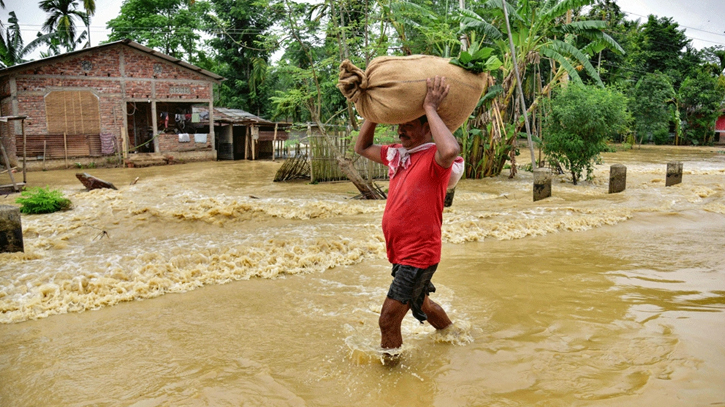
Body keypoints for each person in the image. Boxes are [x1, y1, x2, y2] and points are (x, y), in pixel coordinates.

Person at [354, 75, 462, 352]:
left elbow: (450, 148)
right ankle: (454, 336)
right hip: (402, 252)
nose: (401, 131)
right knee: (421, 302)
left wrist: (430, 107)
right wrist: (374, 111)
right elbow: (362, 147)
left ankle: (392, 381)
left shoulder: (435, 159)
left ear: (427, 130)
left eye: (409, 126)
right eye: (400, 125)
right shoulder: (398, 155)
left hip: (418, 255)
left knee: (388, 320)